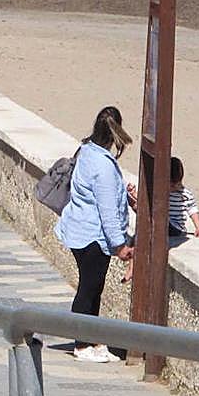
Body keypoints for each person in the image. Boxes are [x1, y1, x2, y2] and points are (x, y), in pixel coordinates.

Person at [54, 106, 134, 363]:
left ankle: (90, 339)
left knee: (92, 288)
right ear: (115, 134)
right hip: (92, 236)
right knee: (89, 289)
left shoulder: (87, 152)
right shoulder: (103, 166)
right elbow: (107, 211)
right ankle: (81, 344)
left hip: (78, 230)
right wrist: (120, 246)